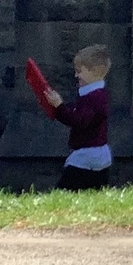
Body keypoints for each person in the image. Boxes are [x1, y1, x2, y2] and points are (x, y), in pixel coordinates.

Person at [33, 45, 115, 190]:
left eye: (79, 71)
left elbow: (78, 120)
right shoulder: (95, 94)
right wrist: (58, 108)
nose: (76, 75)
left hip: (88, 157)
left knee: (65, 191)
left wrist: (59, 106)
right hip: (95, 156)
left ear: (93, 71)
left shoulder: (94, 97)